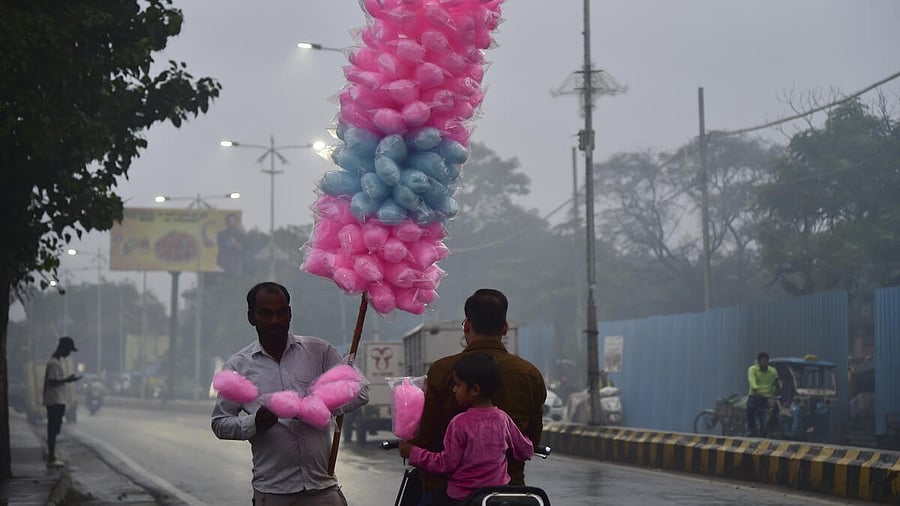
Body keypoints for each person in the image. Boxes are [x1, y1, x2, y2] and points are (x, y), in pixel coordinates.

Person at [211, 282, 369, 506]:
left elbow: (361, 390)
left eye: (281, 312)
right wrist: (254, 423)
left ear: (289, 314)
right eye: (265, 313)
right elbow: (220, 424)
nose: (275, 320)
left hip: (322, 489)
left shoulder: (319, 351)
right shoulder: (239, 366)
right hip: (274, 492)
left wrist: (314, 409)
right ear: (251, 317)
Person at [409, 288, 546, 506]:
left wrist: (411, 449)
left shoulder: (443, 370)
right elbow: (531, 440)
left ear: (467, 326)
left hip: (448, 493)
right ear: (505, 328)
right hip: (510, 494)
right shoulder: (530, 375)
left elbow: (426, 437)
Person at [399, 353, 534, 505]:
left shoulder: (459, 424)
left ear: (475, 389)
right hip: (496, 496)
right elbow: (525, 450)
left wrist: (413, 452)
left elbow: (445, 464)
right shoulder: (503, 419)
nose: (454, 390)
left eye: (458, 385)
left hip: (462, 498)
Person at [42, 336, 81, 467]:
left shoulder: (58, 362)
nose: (69, 353)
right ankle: (51, 457)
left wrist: (68, 380)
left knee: (55, 429)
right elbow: (52, 382)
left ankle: (52, 455)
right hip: (54, 400)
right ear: (63, 348)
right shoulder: (53, 363)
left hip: (58, 399)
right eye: (69, 350)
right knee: (53, 429)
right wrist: (67, 380)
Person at [747, 351, 779, 437]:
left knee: (775, 409)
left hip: (767, 397)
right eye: (763, 362)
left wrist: (776, 389)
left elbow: (775, 383)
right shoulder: (752, 369)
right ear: (759, 362)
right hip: (755, 395)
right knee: (750, 408)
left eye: (767, 362)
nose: (765, 364)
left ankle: (773, 430)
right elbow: (751, 381)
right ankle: (751, 429)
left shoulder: (773, 371)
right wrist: (756, 389)